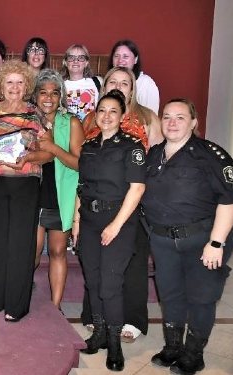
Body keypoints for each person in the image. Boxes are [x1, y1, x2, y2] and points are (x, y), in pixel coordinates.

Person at [143, 99, 233, 375]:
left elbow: (229, 201)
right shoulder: (154, 154)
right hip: (163, 242)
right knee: (171, 296)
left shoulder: (211, 155)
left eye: (180, 117)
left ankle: (194, 353)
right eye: (167, 117)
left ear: (194, 122)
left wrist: (217, 243)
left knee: (201, 298)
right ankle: (173, 346)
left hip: (203, 241)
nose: (172, 123)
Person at [81, 66, 162, 341]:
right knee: (97, 271)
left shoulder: (147, 118)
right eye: (113, 81)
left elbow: (159, 159)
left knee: (131, 265)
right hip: (97, 205)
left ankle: (132, 320)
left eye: (125, 83)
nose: (119, 85)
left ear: (132, 89)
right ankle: (99, 320)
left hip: (133, 200)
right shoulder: (93, 122)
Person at [0, 60, 52, 322]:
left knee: (21, 243)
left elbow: (49, 154)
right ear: (0, 85)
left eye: (19, 82)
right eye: (9, 82)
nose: (15, 87)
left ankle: (16, 305)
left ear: (26, 85)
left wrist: (29, 158)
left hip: (25, 185)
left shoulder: (36, 113)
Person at [73, 89, 146, 372]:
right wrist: (77, 223)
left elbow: (137, 188)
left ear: (122, 115)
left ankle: (114, 346)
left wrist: (115, 225)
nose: (106, 116)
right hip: (89, 222)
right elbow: (82, 187)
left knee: (110, 285)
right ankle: (100, 333)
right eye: (101, 110)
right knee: (92, 281)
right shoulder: (89, 145)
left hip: (119, 223)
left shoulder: (132, 147)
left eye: (113, 111)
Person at [31, 69, 84, 309]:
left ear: (61, 96)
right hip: (31, 194)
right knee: (30, 253)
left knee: (58, 250)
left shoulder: (70, 122)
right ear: (35, 95)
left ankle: (55, 306)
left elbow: (78, 163)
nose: (49, 98)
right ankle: (21, 294)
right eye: (43, 93)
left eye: (54, 93)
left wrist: (52, 148)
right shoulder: (27, 119)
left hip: (59, 195)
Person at [108, 39, 159, 114]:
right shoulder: (106, 82)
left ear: (135, 59)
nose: (120, 60)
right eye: (116, 56)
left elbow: (151, 117)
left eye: (125, 56)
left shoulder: (145, 83)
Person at [61, 44, 101, 121]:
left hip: (92, 130)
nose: (76, 61)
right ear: (65, 62)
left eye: (81, 58)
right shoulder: (59, 85)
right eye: (71, 57)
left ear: (86, 63)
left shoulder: (97, 82)